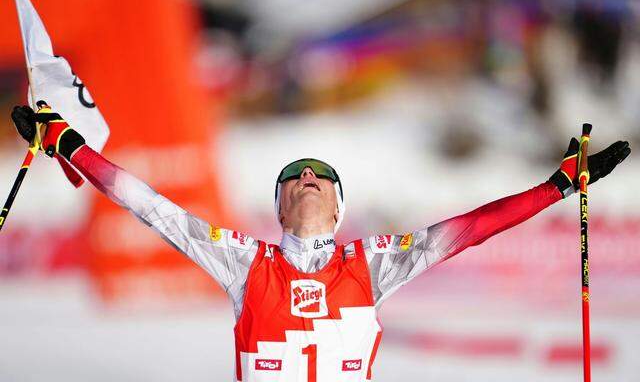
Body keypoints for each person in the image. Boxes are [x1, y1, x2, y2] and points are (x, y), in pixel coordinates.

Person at [10, 104, 631, 381]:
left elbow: (472, 228)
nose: (308, 177)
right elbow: (149, 205)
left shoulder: (377, 264)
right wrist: (65, 141)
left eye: (322, 176)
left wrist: (559, 185)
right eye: (293, 177)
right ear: (277, 205)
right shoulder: (244, 262)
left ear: (340, 207)